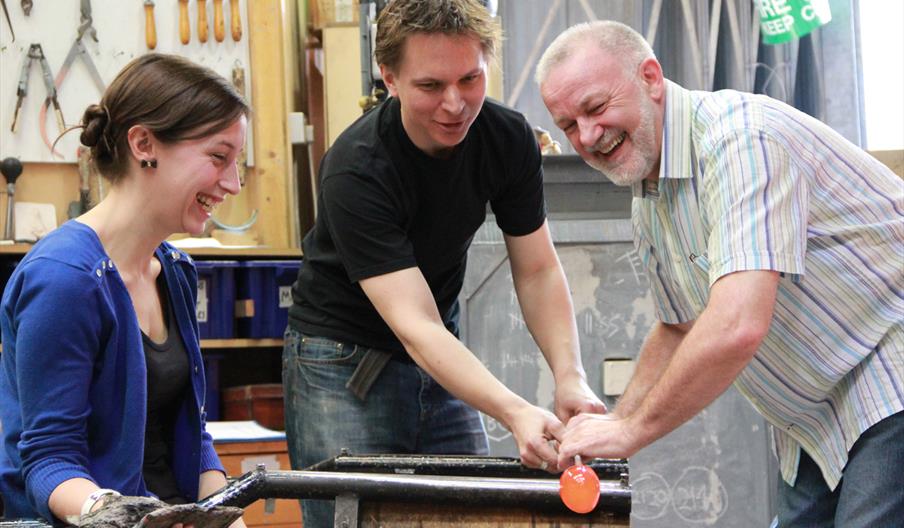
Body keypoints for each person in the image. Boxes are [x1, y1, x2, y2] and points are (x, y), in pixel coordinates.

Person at [537, 20, 904, 527]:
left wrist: (631, 433)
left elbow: (737, 324)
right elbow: (677, 326)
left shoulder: (742, 141)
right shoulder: (650, 197)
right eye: (568, 126)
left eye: (596, 108)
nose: (588, 136)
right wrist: (610, 425)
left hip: (887, 377)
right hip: (815, 422)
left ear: (650, 77)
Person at [284, 0, 605, 525]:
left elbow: (538, 269)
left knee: (471, 513)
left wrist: (570, 376)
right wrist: (514, 409)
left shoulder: (507, 138)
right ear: (389, 77)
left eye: (470, 79)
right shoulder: (356, 168)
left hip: (438, 351)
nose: (455, 104)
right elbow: (415, 326)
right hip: (340, 363)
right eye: (430, 86)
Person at [0, 53, 249, 527]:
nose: (234, 183)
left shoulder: (174, 269)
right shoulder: (64, 280)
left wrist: (224, 514)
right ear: (143, 143)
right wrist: (116, 514)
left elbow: (189, 433)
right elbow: (49, 462)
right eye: (219, 157)